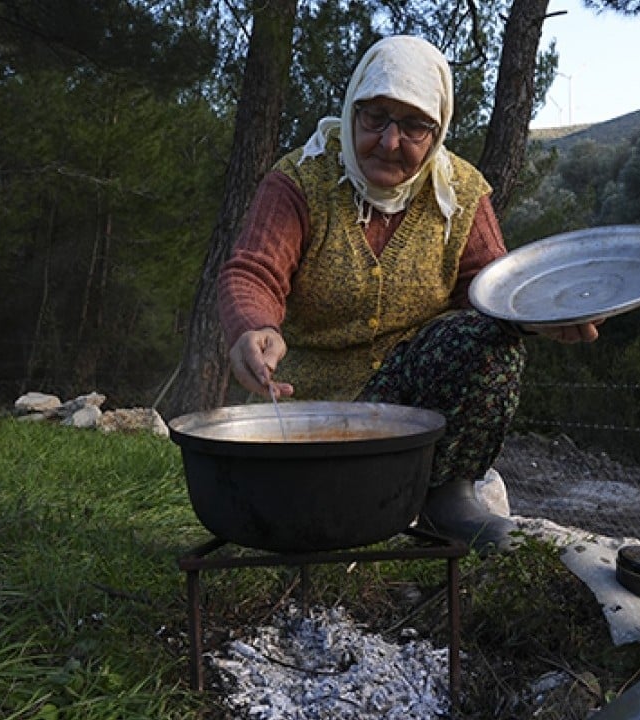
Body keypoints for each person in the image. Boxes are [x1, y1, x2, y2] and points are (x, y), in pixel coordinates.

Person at [217, 35, 600, 552]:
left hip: (410, 414)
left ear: (438, 130)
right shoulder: (302, 179)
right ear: (352, 110)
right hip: (311, 415)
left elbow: (491, 296)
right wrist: (254, 327)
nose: (390, 141)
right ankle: (335, 495)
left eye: (414, 126)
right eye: (374, 117)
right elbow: (253, 271)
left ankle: (446, 498)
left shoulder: (462, 194)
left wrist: (536, 318)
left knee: (490, 340)